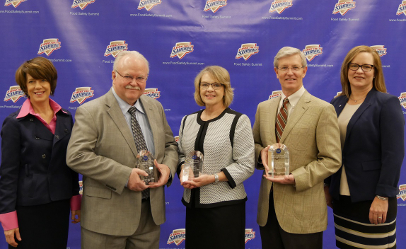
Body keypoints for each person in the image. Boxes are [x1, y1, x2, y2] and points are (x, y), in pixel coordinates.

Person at [66, 51, 178, 249]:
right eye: (128, 76)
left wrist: (167, 169)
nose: (134, 83)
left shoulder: (156, 107)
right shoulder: (91, 111)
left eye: (140, 78)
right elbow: (77, 156)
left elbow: (170, 146)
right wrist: (125, 175)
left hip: (149, 218)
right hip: (107, 220)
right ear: (113, 75)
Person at [252, 46, 342, 249]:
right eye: (284, 68)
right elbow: (254, 146)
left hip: (304, 212)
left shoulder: (323, 109)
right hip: (269, 211)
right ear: (276, 72)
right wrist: (262, 154)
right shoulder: (263, 108)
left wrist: (296, 178)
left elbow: (331, 159)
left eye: (295, 67)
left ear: (304, 71)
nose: (290, 72)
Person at [324, 45, 404, 249]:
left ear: (375, 72)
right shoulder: (337, 103)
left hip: (372, 199)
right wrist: (326, 186)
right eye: (354, 65)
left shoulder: (387, 103)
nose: (359, 71)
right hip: (341, 199)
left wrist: (382, 196)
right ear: (346, 69)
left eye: (367, 66)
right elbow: (328, 148)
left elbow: (393, 155)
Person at [0, 57, 81, 249]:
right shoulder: (14, 123)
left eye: (43, 80)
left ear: (50, 83)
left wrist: (75, 199)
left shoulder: (66, 118)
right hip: (28, 208)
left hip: (59, 205)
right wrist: (8, 218)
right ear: (24, 86)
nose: (38, 86)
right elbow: (8, 175)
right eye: (31, 81)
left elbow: (70, 164)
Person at [177, 66, 255, 249]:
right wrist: (182, 170)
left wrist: (212, 178)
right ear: (198, 89)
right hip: (194, 206)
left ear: (225, 89)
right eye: (205, 84)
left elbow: (246, 164)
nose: (209, 89)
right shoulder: (187, 120)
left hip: (225, 209)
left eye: (216, 85)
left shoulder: (238, 121)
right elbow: (181, 154)